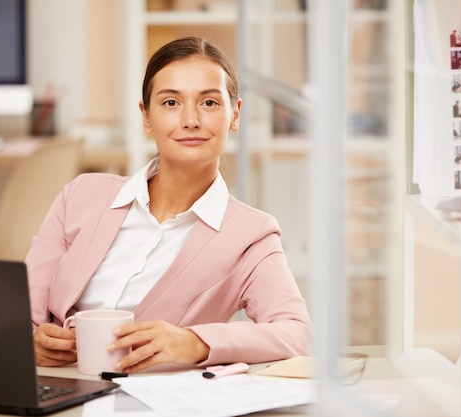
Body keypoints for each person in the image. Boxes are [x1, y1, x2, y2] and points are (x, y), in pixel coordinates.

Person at [27, 36, 314, 374]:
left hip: (155, 401)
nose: (190, 120)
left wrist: (196, 342)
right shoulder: (81, 196)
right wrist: (30, 342)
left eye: (209, 103)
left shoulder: (251, 234)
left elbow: (298, 334)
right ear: (146, 117)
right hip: (55, 388)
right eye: (170, 103)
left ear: (234, 115)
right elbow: (18, 317)